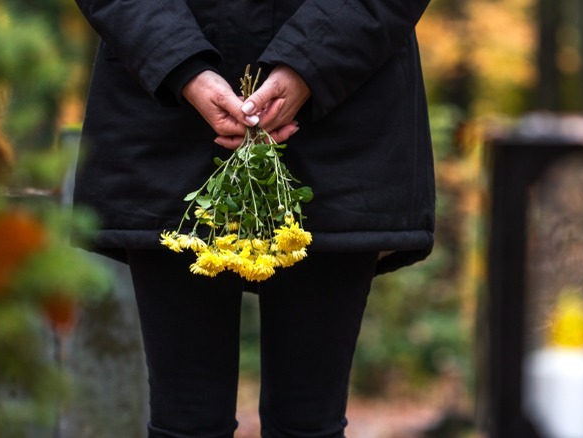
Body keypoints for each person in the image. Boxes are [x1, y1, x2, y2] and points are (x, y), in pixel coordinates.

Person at [72, 1, 435, 437]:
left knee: (308, 421)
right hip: (165, 116)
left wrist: (309, 63)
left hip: (344, 111)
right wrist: (181, 66)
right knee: (186, 420)